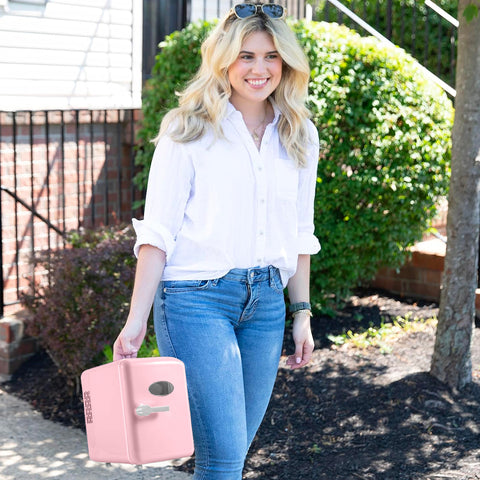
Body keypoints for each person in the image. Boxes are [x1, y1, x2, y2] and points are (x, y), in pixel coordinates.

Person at [113, 3, 320, 479]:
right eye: (246, 56)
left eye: (271, 56)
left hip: (265, 304)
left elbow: (299, 233)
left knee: (232, 455)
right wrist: (136, 319)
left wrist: (302, 312)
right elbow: (158, 234)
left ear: (286, 63)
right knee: (224, 459)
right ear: (224, 60)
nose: (259, 68)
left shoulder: (299, 134)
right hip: (196, 301)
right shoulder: (188, 129)